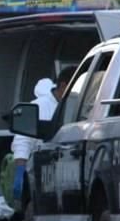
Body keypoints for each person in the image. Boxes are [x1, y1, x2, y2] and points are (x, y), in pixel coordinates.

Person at [8, 66, 77, 205]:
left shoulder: (78, 105)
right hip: (44, 169)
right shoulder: (38, 107)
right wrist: (20, 171)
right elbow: (23, 140)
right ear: (64, 86)